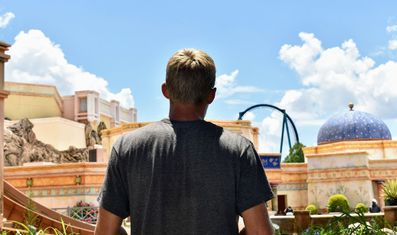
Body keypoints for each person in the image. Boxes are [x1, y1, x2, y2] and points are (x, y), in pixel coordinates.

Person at [95, 48, 275, 235]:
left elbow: (105, 232)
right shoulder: (239, 150)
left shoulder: (127, 148)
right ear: (211, 95)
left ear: (165, 90)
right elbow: (260, 232)